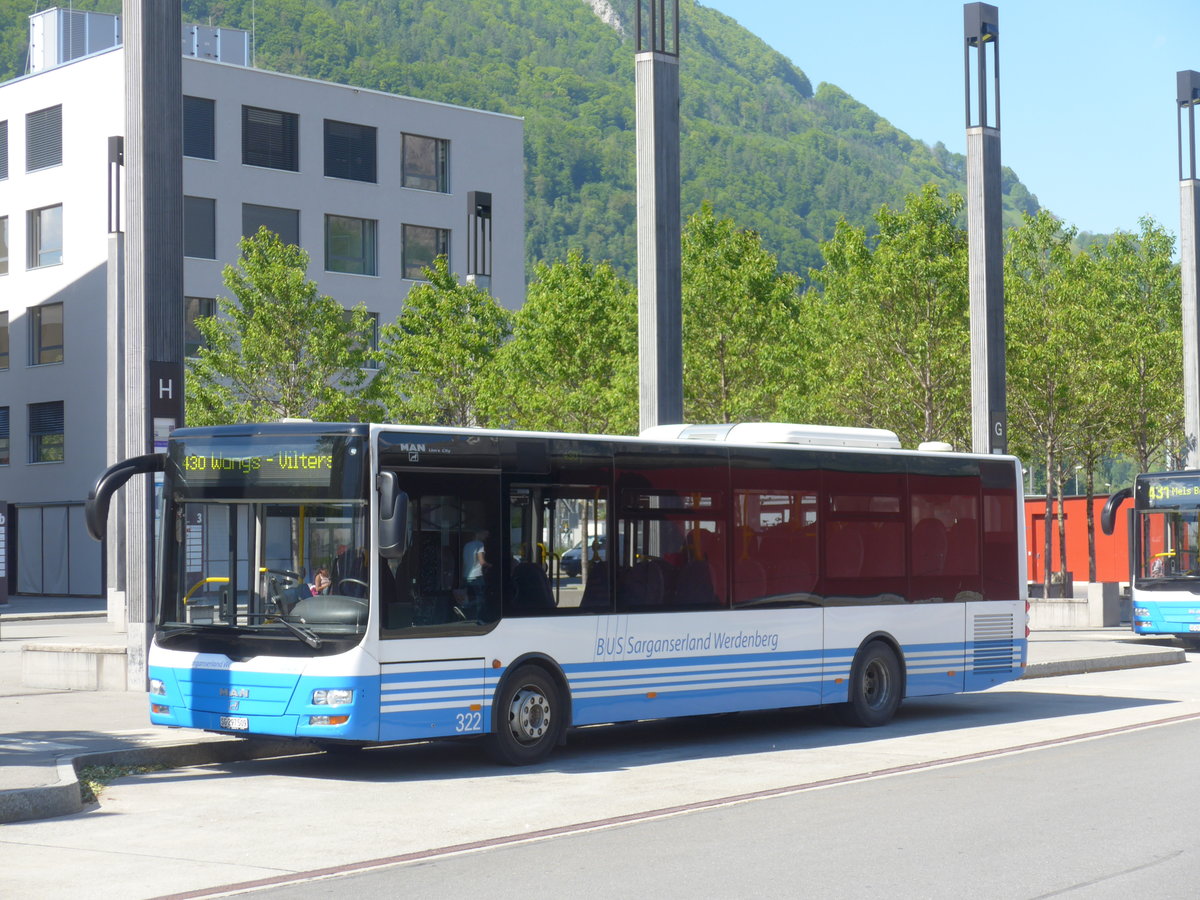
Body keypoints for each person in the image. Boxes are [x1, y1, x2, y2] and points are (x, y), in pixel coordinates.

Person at [462, 529, 490, 613]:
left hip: (466, 575)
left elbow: (464, 563)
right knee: (481, 598)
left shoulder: (466, 545)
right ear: (478, 534)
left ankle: (465, 607)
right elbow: (482, 562)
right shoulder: (479, 544)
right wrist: (491, 565)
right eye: (485, 534)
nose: (486, 537)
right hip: (477, 576)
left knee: (469, 596)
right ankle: (479, 616)